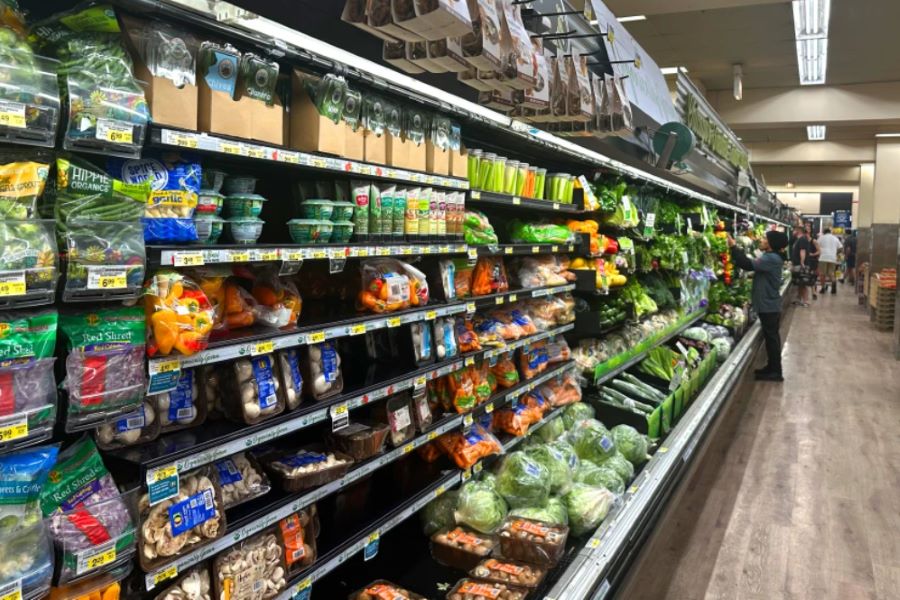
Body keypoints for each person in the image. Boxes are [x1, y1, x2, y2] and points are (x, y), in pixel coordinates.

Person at [728, 230, 788, 381]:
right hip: (768, 303)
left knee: (772, 338)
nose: (761, 240)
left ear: (771, 243)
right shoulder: (772, 257)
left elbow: (747, 264)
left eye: (764, 238)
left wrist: (734, 247)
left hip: (769, 305)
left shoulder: (772, 258)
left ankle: (776, 372)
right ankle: (772, 367)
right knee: (770, 338)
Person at [790, 224, 811, 307]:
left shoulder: (802, 239)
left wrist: (802, 262)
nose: (793, 231)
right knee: (800, 283)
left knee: (803, 283)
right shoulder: (798, 239)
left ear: (798, 231)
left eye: (794, 230)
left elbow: (802, 251)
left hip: (801, 264)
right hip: (797, 263)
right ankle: (798, 299)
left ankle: (806, 301)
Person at [816, 228, 841, 294]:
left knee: (822, 274)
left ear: (824, 232)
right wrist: (835, 253)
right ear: (830, 232)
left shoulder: (821, 238)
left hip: (823, 257)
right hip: (832, 258)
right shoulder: (835, 238)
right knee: (831, 273)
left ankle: (823, 288)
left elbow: (816, 246)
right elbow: (841, 248)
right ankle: (834, 285)